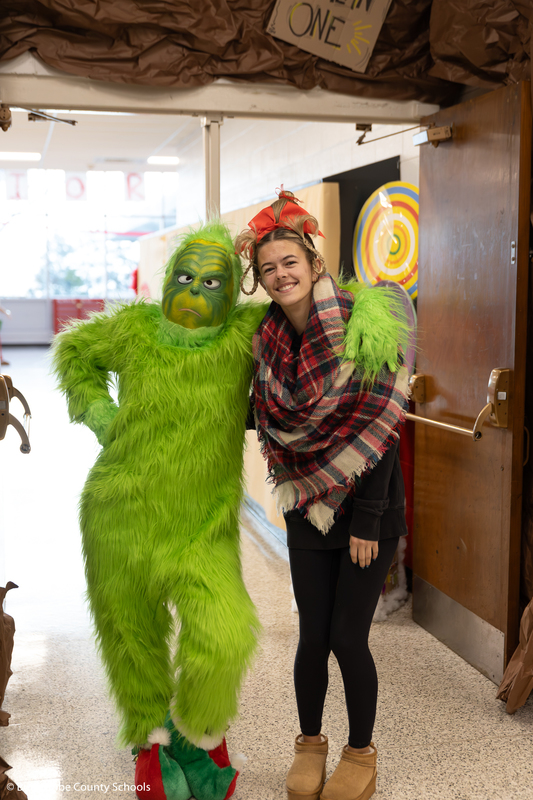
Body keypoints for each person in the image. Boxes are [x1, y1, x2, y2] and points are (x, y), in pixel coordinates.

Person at [235, 190, 411, 800]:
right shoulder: (266, 341)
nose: (280, 275)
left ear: (313, 263)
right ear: (259, 280)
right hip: (306, 506)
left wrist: (367, 520)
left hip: (368, 510)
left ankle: (361, 753)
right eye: (268, 269)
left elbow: (384, 426)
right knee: (311, 635)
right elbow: (262, 418)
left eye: (290, 262)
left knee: (347, 637)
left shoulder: (365, 322)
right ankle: (309, 744)